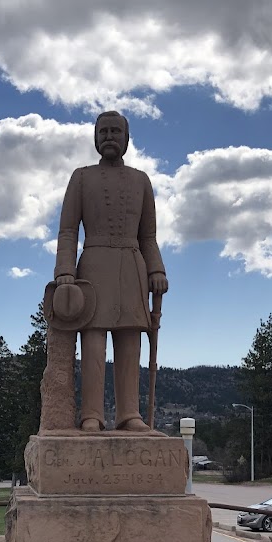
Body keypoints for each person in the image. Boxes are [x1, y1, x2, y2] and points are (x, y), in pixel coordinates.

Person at [53, 111, 168, 432]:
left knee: (130, 338)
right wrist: (65, 271)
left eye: (116, 131)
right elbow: (67, 231)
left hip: (132, 265)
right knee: (92, 340)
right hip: (93, 266)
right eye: (103, 131)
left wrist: (156, 269)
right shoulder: (81, 177)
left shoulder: (141, 180)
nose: (109, 136)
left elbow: (148, 236)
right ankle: (92, 414)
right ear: (95, 137)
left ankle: (129, 413)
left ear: (127, 139)